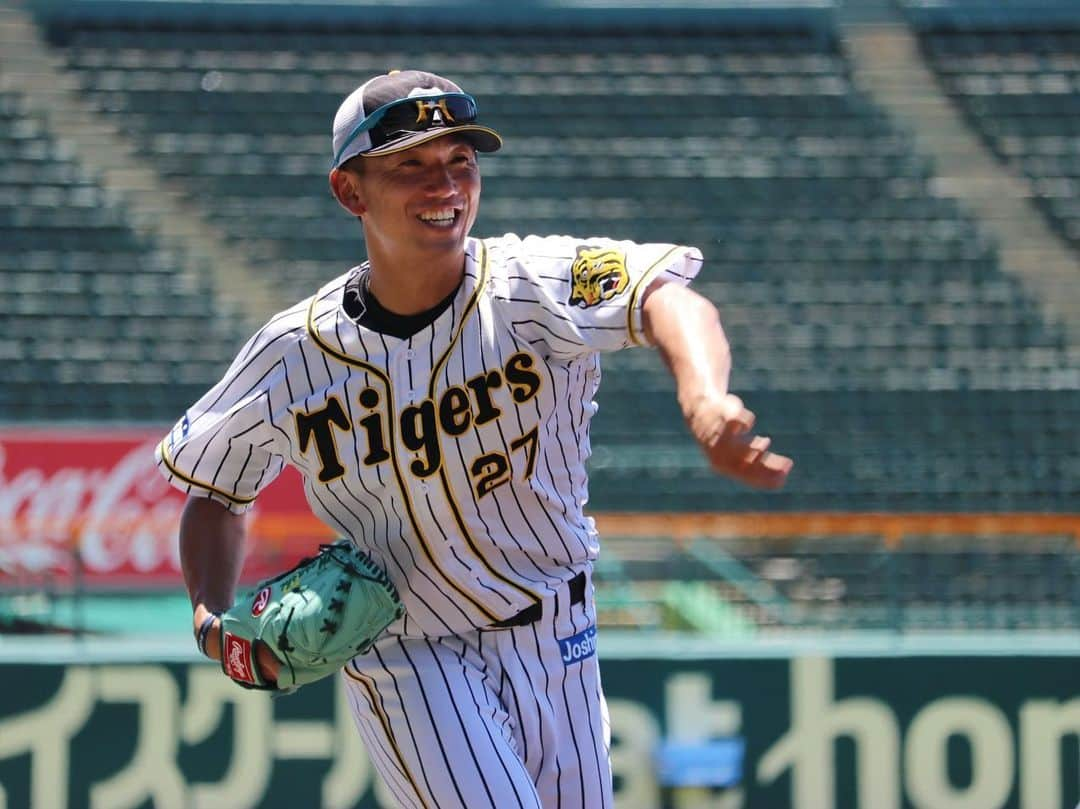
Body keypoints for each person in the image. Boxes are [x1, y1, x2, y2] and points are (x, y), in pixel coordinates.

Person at [156, 69, 792, 808]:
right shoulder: (291, 354)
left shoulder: (529, 287)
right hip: (408, 646)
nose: (445, 184)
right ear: (350, 191)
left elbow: (667, 296)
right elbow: (215, 487)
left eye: (461, 160)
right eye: (411, 165)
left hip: (560, 632)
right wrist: (210, 617)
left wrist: (705, 397)